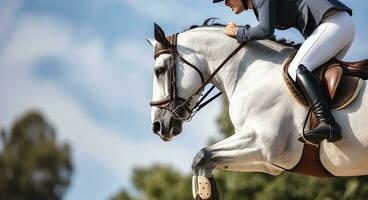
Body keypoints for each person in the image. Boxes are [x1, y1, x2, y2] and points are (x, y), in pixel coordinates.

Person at [213, 0, 355, 144]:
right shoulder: (257, 6)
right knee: (316, 75)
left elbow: (265, 31)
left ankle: (328, 123)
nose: (226, 3)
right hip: (337, 25)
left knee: (297, 68)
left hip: (333, 23)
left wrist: (237, 31)